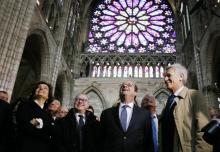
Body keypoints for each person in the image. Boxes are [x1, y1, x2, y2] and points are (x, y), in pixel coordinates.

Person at [161, 63, 212, 152]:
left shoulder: (194, 96)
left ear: (180, 77)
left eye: (168, 75)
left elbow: (204, 133)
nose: (165, 79)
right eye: (165, 76)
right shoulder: (169, 102)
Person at [99, 80, 153, 152]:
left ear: (135, 92)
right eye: (122, 85)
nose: (124, 86)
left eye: (129, 85)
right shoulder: (106, 114)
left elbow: (148, 142)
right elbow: (101, 140)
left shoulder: (145, 114)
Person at [16, 81, 54, 152]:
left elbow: (53, 130)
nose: (41, 89)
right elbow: (24, 125)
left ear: (48, 96)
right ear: (34, 92)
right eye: (38, 87)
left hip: (43, 148)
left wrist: (38, 124)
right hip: (26, 146)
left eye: (45, 88)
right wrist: (44, 127)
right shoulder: (25, 105)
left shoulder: (48, 113)